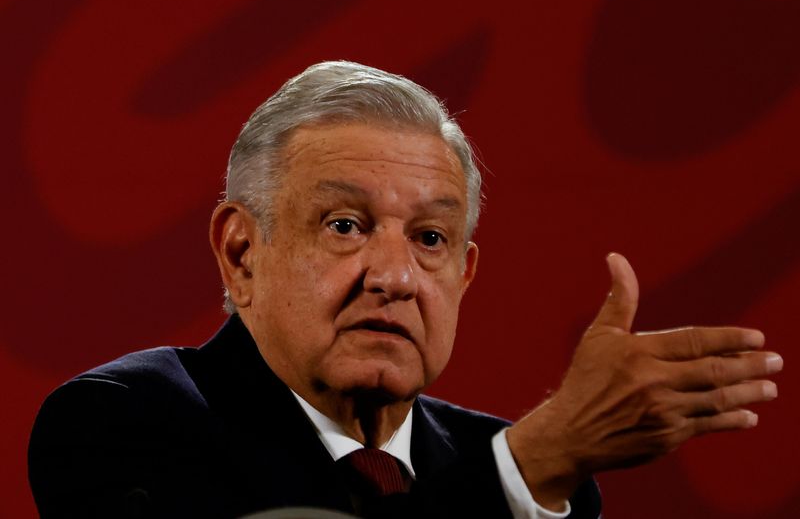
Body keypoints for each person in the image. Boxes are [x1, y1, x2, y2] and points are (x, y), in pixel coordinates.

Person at [28, 61, 782, 518]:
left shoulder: (524, 470)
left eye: (429, 240)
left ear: (464, 274)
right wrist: (524, 473)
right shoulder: (122, 424)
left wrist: (530, 468)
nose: (393, 278)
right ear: (241, 251)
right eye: (347, 225)